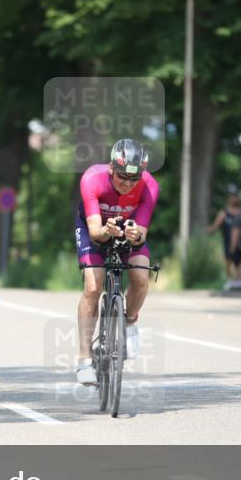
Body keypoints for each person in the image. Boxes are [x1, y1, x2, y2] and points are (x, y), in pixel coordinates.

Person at [74, 138, 159, 386]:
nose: (129, 183)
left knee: (142, 277)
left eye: (135, 179)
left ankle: (130, 321)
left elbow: (142, 231)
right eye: (123, 176)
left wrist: (136, 235)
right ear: (111, 168)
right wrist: (107, 230)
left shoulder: (149, 185)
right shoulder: (92, 178)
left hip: (127, 229)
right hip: (97, 228)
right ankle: (84, 359)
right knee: (92, 286)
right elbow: (95, 232)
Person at [206, 184, 241, 291]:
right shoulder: (224, 213)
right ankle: (234, 281)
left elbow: (240, 230)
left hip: (237, 242)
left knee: (237, 263)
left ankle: (239, 282)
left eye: (235, 196)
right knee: (229, 262)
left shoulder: (240, 214)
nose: (233, 198)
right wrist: (208, 230)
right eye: (231, 196)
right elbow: (214, 226)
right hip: (228, 241)